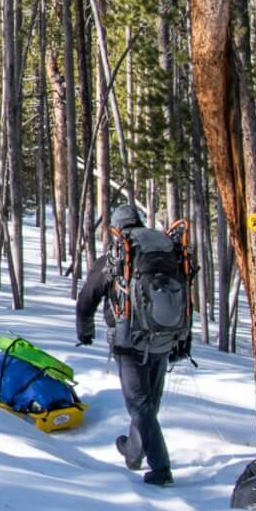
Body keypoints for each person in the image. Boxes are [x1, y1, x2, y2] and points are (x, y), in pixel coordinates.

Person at [75, 202, 188, 488]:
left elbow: (87, 299)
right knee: (149, 404)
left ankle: (161, 468)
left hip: (129, 341)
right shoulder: (166, 252)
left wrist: (85, 333)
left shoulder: (117, 257)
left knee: (139, 406)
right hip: (163, 339)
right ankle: (133, 452)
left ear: (116, 229)